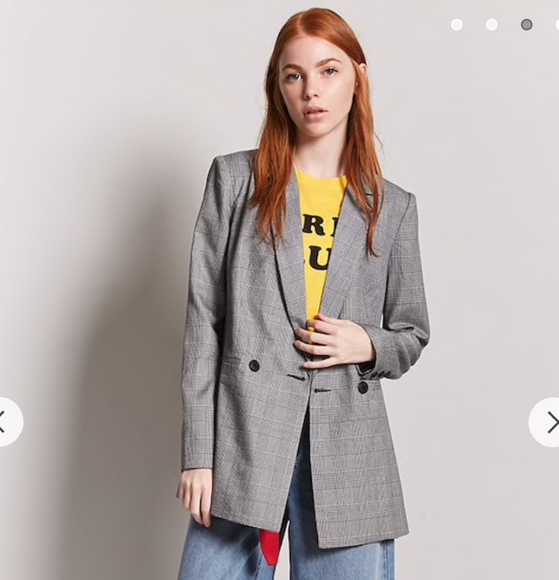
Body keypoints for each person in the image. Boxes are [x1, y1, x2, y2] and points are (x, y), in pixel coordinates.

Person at [175, 7, 430, 579]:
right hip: (246, 440)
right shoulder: (236, 181)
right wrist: (198, 454)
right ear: (279, 87)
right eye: (294, 75)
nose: (311, 90)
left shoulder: (393, 208)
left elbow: (412, 333)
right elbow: (204, 324)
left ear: (358, 77)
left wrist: (366, 343)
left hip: (348, 451)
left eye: (328, 70)